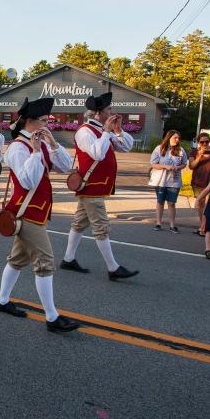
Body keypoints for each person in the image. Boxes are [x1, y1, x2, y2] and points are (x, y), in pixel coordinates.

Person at [0, 97, 80, 333]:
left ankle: (2, 301)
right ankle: (52, 317)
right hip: (26, 212)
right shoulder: (18, 148)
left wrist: (52, 143)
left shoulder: (40, 143)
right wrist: (34, 151)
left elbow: (64, 166)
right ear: (30, 121)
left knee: (18, 258)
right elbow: (28, 180)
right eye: (44, 121)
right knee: (45, 262)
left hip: (37, 211)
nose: (47, 125)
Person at [60, 91, 139, 280]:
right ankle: (113, 268)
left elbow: (126, 147)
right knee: (101, 226)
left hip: (96, 185)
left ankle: (68, 259)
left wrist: (117, 130)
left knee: (80, 223)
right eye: (109, 109)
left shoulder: (104, 131)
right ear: (98, 113)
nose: (112, 112)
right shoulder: (85, 131)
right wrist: (106, 132)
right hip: (92, 186)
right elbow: (97, 153)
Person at [149, 130, 187, 232]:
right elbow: (153, 163)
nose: (177, 140)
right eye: (175, 138)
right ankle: (158, 223)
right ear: (169, 138)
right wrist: (165, 166)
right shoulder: (159, 148)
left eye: (178, 138)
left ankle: (172, 225)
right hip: (161, 180)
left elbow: (184, 164)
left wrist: (178, 167)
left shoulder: (181, 150)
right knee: (160, 201)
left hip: (174, 181)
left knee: (171, 203)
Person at [187, 133, 210, 236]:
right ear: (198, 143)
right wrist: (199, 156)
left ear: (209, 141)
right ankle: (202, 226)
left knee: (209, 205)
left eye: (206, 141)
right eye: (202, 142)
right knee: (200, 204)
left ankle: (204, 228)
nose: (204, 144)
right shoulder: (194, 152)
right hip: (199, 181)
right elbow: (191, 166)